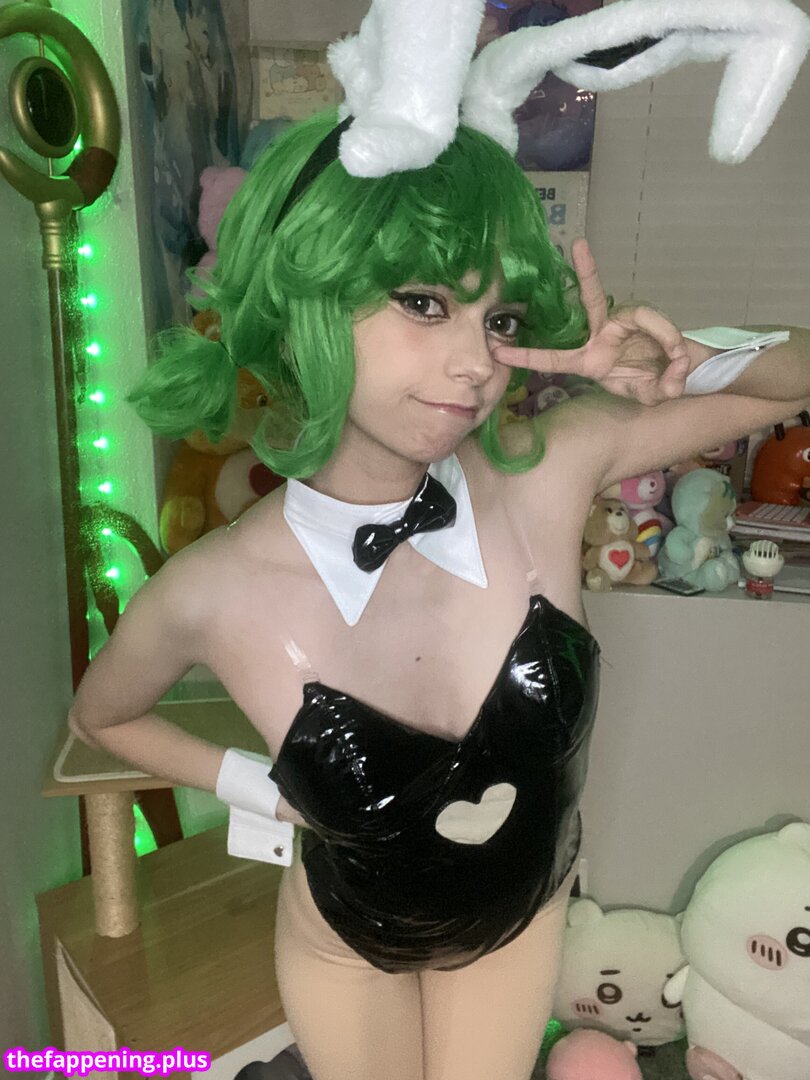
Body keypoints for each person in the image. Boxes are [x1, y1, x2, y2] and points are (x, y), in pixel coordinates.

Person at [68, 108, 810, 1080]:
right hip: (349, 945)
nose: (475, 365)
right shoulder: (212, 591)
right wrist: (267, 794)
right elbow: (101, 717)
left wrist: (682, 359)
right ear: (308, 293)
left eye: (498, 320)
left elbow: (787, 383)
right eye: (423, 302)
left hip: (518, 917)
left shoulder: (547, 471)